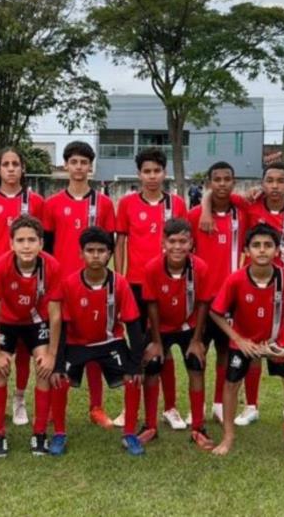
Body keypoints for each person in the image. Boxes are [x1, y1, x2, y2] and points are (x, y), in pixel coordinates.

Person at [209, 224, 284, 457]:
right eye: (256, 245)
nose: (262, 250)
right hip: (245, 342)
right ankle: (228, 436)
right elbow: (216, 312)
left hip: (277, 340)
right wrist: (238, 339)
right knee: (231, 384)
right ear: (246, 250)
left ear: (276, 251)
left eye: (268, 245)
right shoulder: (236, 280)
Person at [230, 163, 284, 426]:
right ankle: (251, 406)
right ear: (263, 183)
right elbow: (217, 192)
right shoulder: (250, 205)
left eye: (280, 181)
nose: (275, 186)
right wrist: (248, 193)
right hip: (253, 288)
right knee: (254, 347)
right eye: (270, 181)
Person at [49, 227, 146, 456]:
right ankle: (60, 433)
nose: (95, 255)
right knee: (59, 379)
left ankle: (130, 434)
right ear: (81, 254)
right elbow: (62, 327)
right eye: (90, 250)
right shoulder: (69, 284)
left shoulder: (120, 283)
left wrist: (136, 363)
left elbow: (133, 325)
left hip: (109, 342)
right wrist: (59, 363)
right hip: (77, 343)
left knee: (133, 379)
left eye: (101, 250)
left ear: (110, 254)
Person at [43, 141, 116, 429]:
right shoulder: (52, 204)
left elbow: (108, 247)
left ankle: (96, 407)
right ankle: (51, 407)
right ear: (66, 166)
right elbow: (46, 248)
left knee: (95, 345)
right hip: (62, 287)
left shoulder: (105, 204)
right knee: (58, 346)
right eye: (74, 162)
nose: (79, 168)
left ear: (90, 167)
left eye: (84, 163)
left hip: (93, 286)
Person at [114, 147, 188, 430]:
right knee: (138, 348)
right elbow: (121, 242)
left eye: (157, 171)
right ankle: (128, 407)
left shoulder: (176, 204)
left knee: (164, 345)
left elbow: (184, 243)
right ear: (139, 174)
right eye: (147, 171)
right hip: (135, 285)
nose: (152, 176)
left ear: (165, 173)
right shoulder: (128, 203)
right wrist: (120, 278)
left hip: (169, 286)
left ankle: (170, 408)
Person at [0, 147, 44, 426]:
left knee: (26, 346)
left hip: (30, 281)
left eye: (16, 164)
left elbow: (42, 242)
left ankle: (19, 399)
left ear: (23, 169)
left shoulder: (36, 201)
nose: (11, 169)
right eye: (6, 164)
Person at [0, 216, 62, 457]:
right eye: (20, 240)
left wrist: (51, 354)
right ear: (11, 244)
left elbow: (56, 315)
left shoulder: (51, 266)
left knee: (43, 368)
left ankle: (39, 433)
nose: (26, 246)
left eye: (32, 240)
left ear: (41, 243)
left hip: (36, 322)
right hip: (7, 322)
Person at [140, 218, 215, 450]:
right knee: (152, 364)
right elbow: (151, 304)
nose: (177, 247)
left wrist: (197, 340)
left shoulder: (200, 268)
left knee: (196, 364)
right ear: (163, 242)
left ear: (191, 243)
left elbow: (203, 304)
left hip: (188, 326)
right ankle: (150, 425)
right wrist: (155, 341)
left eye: (183, 241)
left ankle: (198, 428)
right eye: (172, 241)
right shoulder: (152, 267)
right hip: (160, 327)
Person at [188, 162, 247, 424]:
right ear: (209, 183)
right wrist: (204, 208)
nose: (222, 184)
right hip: (200, 299)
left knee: (226, 352)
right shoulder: (194, 217)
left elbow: (252, 199)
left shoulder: (242, 213)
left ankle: (220, 404)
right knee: (198, 352)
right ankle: (196, 408)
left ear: (234, 182)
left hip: (231, 300)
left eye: (227, 179)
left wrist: (207, 203)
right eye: (217, 180)